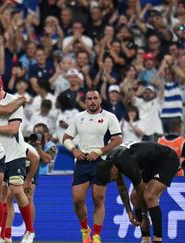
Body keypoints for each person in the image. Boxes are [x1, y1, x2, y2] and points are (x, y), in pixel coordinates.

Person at [62, 90, 122, 243]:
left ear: (100, 100)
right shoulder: (78, 117)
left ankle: (96, 235)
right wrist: (74, 150)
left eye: (95, 98)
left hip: (101, 162)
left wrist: (99, 151)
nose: (92, 101)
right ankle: (84, 229)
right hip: (82, 161)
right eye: (89, 99)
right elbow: (66, 138)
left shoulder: (109, 117)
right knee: (77, 200)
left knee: (98, 198)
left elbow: (117, 139)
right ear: (85, 101)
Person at [0, 72, 35, 243]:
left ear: (0, 84)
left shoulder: (13, 101)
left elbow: (13, 129)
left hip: (15, 154)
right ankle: (5, 235)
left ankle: (29, 231)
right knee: (3, 197)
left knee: (17, 190)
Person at [95, 142, 180, 243]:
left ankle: (158, 239)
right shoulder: (110, 161)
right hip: (150, 163)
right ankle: (145, 239)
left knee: (149, 196)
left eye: (111, 180)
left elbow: (141, 192)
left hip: (167, 159)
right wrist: (129, 212)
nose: (113, 181)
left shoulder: (127, 164)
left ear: (113, 171)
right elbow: (122, 188)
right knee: (134, 198)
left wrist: (145, 217)